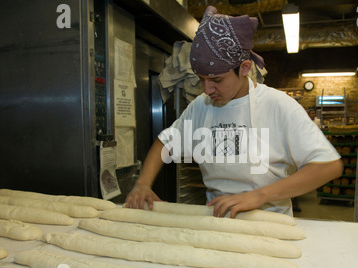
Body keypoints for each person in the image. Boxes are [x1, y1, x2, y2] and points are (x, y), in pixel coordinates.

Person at [125, 6, 343, 218]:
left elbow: (328, 166)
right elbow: (165, 142)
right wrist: (143, 184)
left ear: (245, 68)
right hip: (219, 218)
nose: (207, 89)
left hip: (270, 222)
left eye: (216, 80)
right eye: (201, 79)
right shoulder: (201, 106)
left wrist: (259, 196)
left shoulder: (278, 105)